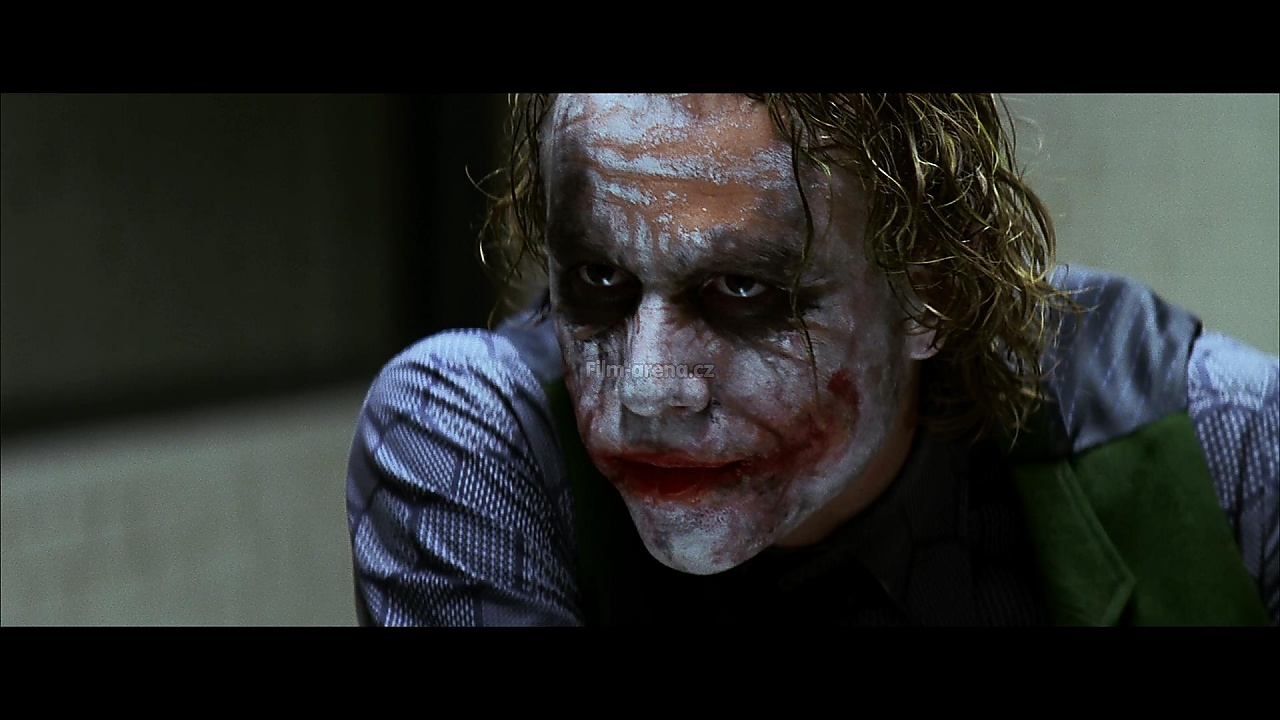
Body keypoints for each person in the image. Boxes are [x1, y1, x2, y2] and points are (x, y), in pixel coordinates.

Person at [344, 94, 1278, 626]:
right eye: (597, 280)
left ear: (931, 289)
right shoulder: (474, 434)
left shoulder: (1215, 440)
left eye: (742, 289)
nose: (647, 387)